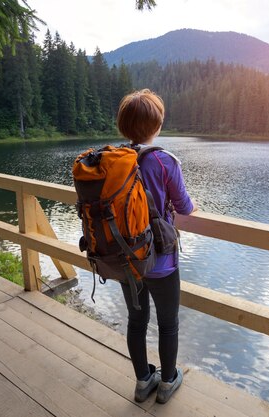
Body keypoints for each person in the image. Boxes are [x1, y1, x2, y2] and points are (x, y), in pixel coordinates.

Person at [116, 88, 196, 404]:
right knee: (168, 324)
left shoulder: (113, 159)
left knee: (136, 322)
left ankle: (142, 381)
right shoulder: (164, 161)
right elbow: (185, 207)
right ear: (158, 126)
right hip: (160, 261)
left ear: (124, 126)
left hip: (125, 258)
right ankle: (166, 383)